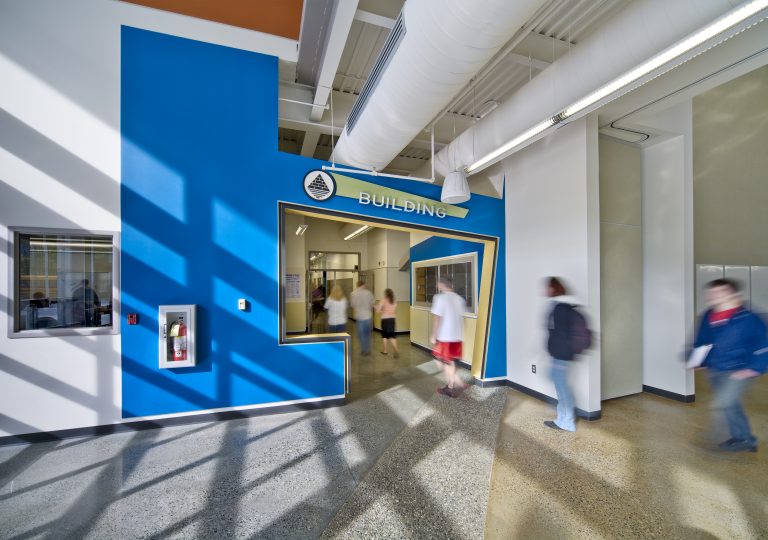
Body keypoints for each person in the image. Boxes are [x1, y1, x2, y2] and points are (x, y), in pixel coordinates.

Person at [693, 278, 767, 452]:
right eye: (711, 293)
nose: (713, 296)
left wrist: (752, 369)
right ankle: (743, 437)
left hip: (740, 369)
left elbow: (764, 344)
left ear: (734, 294)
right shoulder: (709, 315)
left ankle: (745, 439)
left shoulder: (749, 318)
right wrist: (699, 361)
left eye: (720, 292)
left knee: (725, 402)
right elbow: (703, 340)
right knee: (731, 404)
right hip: (716, 368)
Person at [544, 276, 583, 432]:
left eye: (547, 287)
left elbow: (558, 334)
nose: (545, 290)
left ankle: (567, 421)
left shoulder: (559, 308)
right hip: (561, 355)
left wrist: (555, 350)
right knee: (560, 385)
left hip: (562, 355)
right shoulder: (561, 306)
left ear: (553, 288)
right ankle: (563, 418)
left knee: (562, 387)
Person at [431, 275, 468, 397]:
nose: (437, 285)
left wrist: (433, 335)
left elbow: (437, 318)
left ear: (442, 284)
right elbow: (462, 318)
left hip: (444, 337)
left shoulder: (440, 298)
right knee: (449, 361)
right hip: (457, 337)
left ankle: (453, 385)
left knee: (442, 361)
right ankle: (452, 384)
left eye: (438, 283)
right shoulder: (460, 299)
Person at [350, 281, 374, 355]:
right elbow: (372, 304)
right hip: (368, 317)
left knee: (362, 335)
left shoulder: (353, 293)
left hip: (360, 318)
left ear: (357, 285)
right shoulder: (369, 293)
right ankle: (368, 349)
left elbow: (353, 305)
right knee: (368, 334)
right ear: (363, 285)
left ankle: (364, 350)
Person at [377, 288, 399, 358]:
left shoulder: (383, 301)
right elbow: (393, 310)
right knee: (392, 335)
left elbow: (378, 311)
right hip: (392, 319)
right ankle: (391, 350)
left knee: (385, 336)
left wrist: (379, 309)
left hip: (385, 320)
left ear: (385, 294)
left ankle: (387, 350)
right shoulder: (394, 301)